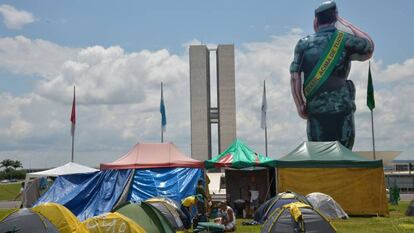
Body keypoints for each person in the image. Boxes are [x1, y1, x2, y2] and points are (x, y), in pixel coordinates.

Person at [290, 1, 374, 149]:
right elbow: (368, 47)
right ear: (335, 18)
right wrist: (346, 24)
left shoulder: (303, 44)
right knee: (344, 156)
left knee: (320, 156)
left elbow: (295, 77)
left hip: (316, 109)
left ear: (316, 20)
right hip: (342, 108)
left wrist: (300, 105)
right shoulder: (345, 39)